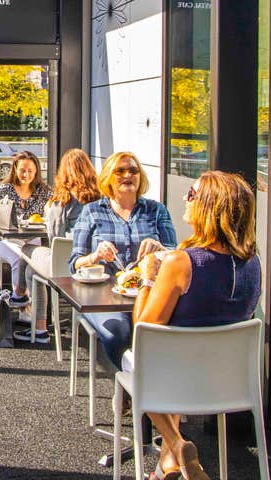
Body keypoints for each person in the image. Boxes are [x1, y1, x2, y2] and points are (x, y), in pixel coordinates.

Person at [129, 171, 261, 480]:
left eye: (192, 193)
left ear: (209, 206)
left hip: (178, 380)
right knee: (167, 363)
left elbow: (143, 333)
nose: (185, 198)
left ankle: (176, 444)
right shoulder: (253, 263)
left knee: (144, 367)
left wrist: (148, 276)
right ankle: (168, 469)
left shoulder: (181, 263)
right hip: (229, 383)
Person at [69, 151, 177, 368]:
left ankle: (151, 385)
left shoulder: (156, 210)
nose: (128, 175)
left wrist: (159, 249)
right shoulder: (92, 211)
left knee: (167, 330)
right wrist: (96, 255)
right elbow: (75, 264)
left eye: (133, 171)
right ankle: (132, 386)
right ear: (109, 176)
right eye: (120, 171)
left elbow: (175, 256)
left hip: (149, 292)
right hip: (105, 299)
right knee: (118, 333)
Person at [12, 148, 101, 343]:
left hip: (65, 266)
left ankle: (18, 294)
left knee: (27, 249)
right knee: (32, 273)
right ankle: (40, 330)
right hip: (95, 265)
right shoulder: (100, 199)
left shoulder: (63, 200)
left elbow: (54, 236)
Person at [0, 150, 53, 306]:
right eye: (22, 170)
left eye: (30, 171)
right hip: (4, 239)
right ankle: (19, 298)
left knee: (34, 264)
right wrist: (3, 225)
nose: (26, 175)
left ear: (36, 171)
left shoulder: (44, 191)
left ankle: (31, 311)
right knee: (20, 259)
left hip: (33, 238)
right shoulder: (5, 189)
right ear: (15, 168)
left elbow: (53, 214)